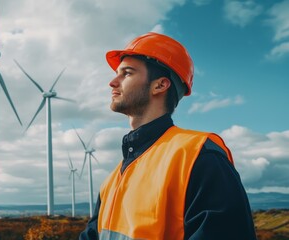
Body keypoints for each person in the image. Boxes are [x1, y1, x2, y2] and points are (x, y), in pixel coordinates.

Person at [79, 32, 257, 240]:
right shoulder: (112, 180)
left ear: (160, 85)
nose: (112, 82)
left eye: (126, 73)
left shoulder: (199, 155)